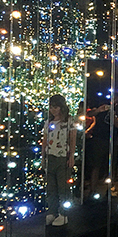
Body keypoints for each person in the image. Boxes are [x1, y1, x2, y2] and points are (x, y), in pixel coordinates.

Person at [42, 94, 76, 226]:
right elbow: (45, 141)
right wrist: (43, 156)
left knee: (63, 187)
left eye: (55, 107)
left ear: (61, 107)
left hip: (62, 157)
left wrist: (71, 155)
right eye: (51, 107)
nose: (53, 110)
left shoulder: (69, 121)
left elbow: (72, 138)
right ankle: (52, 211)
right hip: (50, 156)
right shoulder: (48, 122)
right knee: (51, 187)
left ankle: (63, 213)